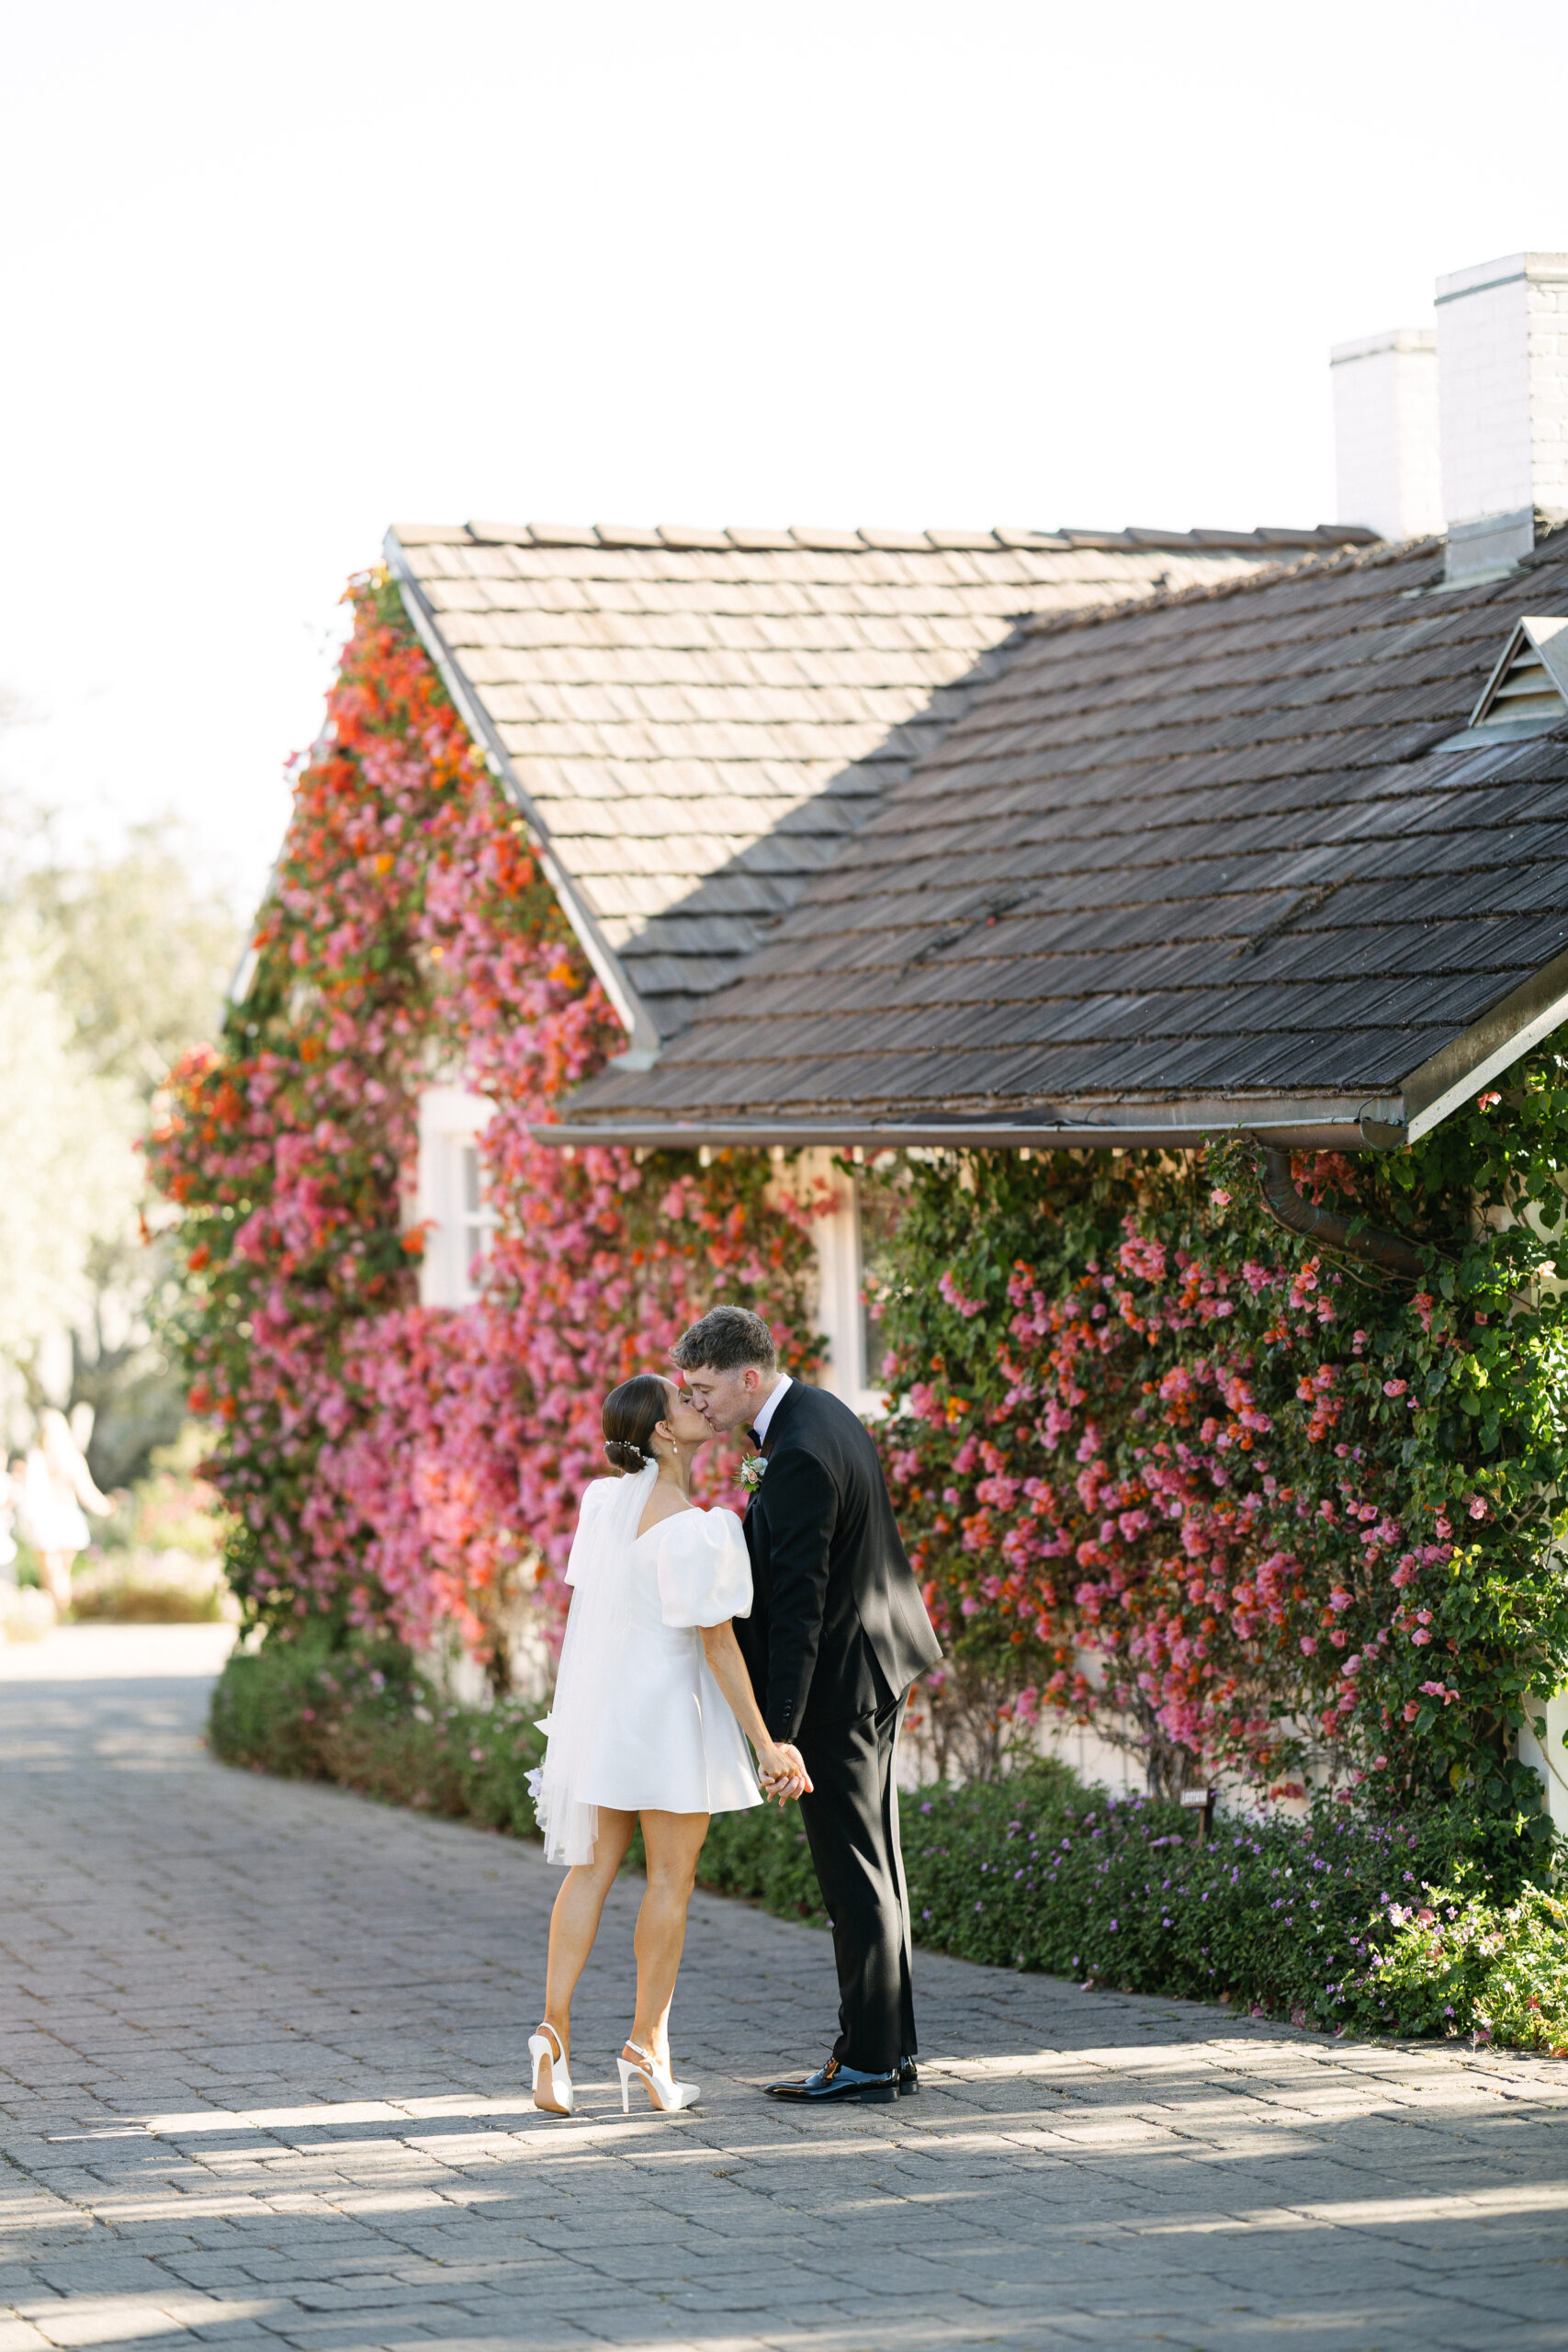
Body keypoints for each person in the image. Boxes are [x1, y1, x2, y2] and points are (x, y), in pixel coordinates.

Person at [671, 1304, 942, 2107]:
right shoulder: (819, 1412)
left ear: (747, 1377)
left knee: (854, 1878)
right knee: (877, 1867)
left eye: (703, 1389)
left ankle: (865, 2060)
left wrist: (776, 1733)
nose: (695, 1405)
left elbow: (799, 1603)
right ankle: (888, 2052)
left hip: (839, 1690)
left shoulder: (792, 1454)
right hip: (879, 1662)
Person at [527, 1373, 808, 2120]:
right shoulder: (696, 1528)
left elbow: (594, 1600)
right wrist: (767, 1743)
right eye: (685, 1403)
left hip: (602, 1715)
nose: (700, 1406)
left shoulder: (602, 1503)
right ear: (661, 1432)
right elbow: (716, 1647)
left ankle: (551, 2035)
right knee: (667, 1885)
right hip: (667, 1723)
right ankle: (647, 2046)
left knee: (587, 1876)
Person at [18, 1407, 111, 1613]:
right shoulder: (72, 1458)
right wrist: (107, 1507)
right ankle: (63, 1614)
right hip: (68, 1519)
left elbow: (27, 1492)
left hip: (45, 1519)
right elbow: (87, 1493)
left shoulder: (36, 1457)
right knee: (63, 1573)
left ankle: (53, 1615)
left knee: (50, 1573)